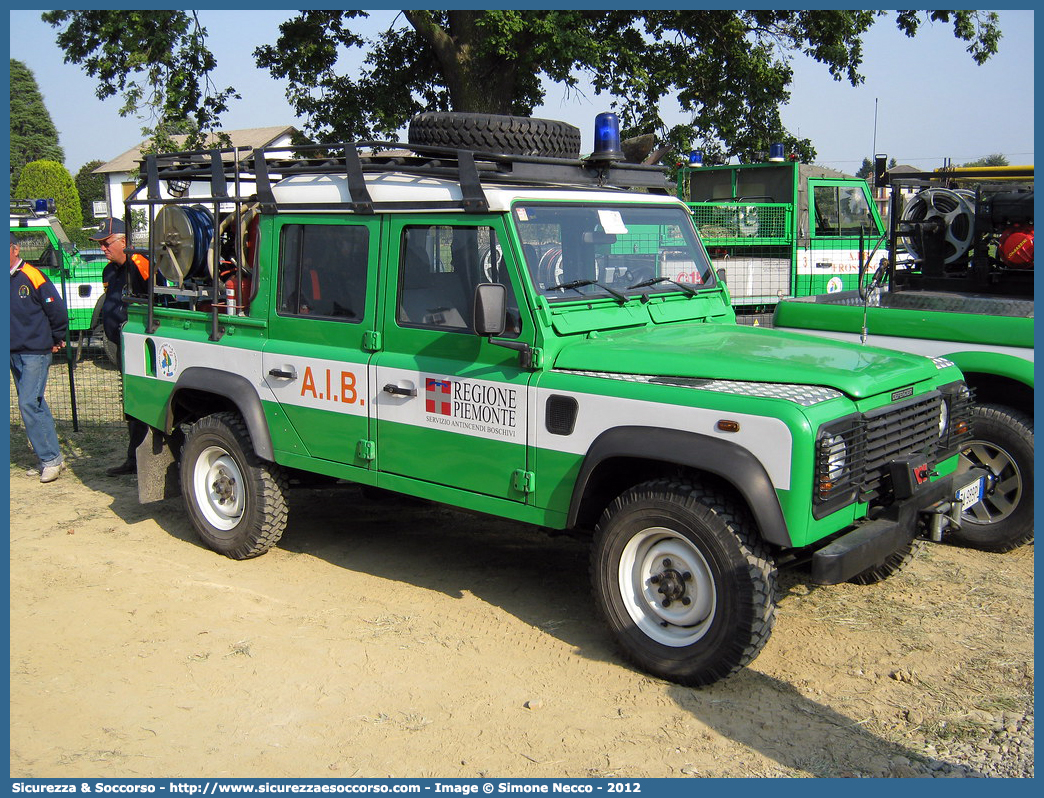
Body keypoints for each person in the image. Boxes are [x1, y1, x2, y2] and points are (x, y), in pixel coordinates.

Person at [89, 217, 151, 477]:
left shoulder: (141, 265)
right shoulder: (109, 271)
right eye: (100, 244)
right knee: (131, 403)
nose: (103, 248)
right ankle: (133, 459)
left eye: (106, 243)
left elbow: (161, 299)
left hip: (143, 346)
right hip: (121, 346)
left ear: (124, 241)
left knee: (144, 402)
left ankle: (145, 460)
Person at [10, 232, 68, 483]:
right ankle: (52, 457)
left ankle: (50, 460)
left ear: (14, 250)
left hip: (35, 351)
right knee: (35, 403)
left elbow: (56, 310)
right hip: (13, 351)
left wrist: (57, 337)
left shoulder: (33, 276)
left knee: (28, 404)